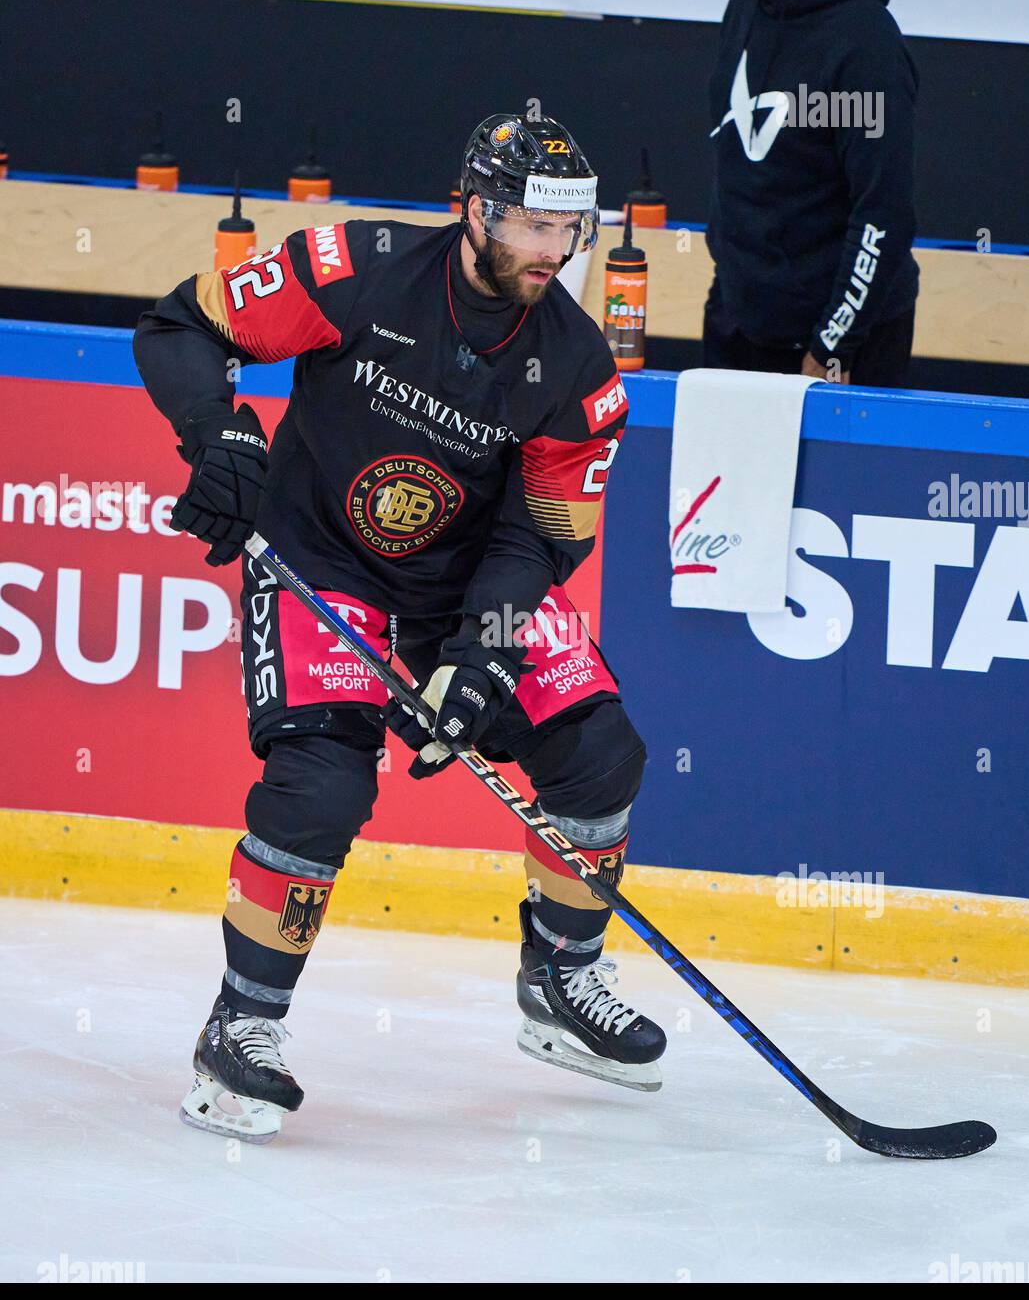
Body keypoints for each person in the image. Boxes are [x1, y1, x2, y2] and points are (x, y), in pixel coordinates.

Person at [133, 113, 666, 1142]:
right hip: (323, 559)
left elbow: (544, 537)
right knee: (322, 782)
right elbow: (180, 327)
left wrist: (481, 657)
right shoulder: (354, 268)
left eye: (571, 233)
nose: (552, 255)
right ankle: (240, 1028)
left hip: (462, 585)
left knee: (600, 753)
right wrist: (224, 438)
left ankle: (562, 974)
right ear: (473, 210)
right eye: (530, 228)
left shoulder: (578, 367)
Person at [703, 0, 920, 387]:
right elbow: (735, 153)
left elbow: (883, 214)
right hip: (736, 320)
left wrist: (832, 345)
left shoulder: (866, 42)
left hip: (833, 343)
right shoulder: (747, 2)